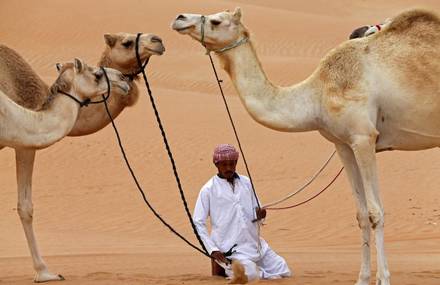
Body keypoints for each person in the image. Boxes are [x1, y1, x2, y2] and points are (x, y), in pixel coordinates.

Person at [193, 144, 291, 282]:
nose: (228, 168)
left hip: (255, 245)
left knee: (283, 270)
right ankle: (234, 270)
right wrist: (212, 250)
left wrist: (260, 215)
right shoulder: (208, 189)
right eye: (224, 164)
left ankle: (242, 273)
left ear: (236, 163)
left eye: (231, 164)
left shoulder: (246, 182)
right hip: (231, 249)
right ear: (216, 165)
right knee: (250, 275)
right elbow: (198, 222)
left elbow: (257, 209)